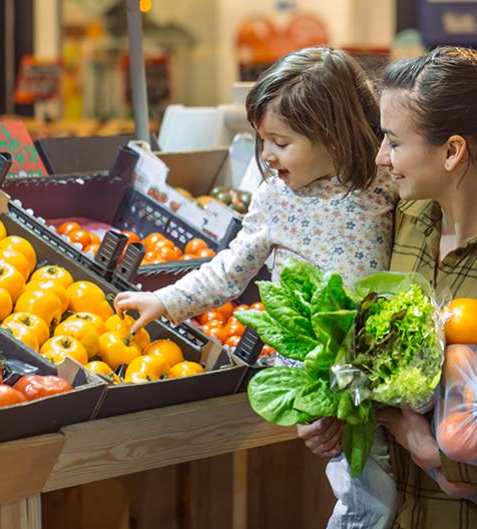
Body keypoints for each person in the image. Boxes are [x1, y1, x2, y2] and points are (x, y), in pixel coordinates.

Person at [115, 47, 398, 529]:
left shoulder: (383, 182)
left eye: (279, 142)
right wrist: (165, 300)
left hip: (376, 356)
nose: (266, 155)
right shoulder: (275, 200)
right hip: (316, 362)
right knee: (366, 488)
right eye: (261, 140)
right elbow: (229, 270)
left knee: (386, 476)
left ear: (333, 135)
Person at [298, 46, 477, 529]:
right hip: (404, 511)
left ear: (453, 150)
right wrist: (338, 409)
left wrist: (436, 452)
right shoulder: (405, 218)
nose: (381, 157)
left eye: (393, 142)